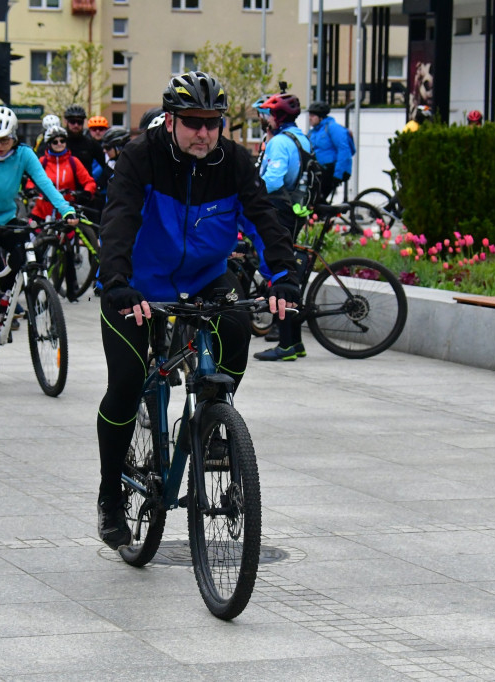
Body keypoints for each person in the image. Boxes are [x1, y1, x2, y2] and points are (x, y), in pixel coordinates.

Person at [94, 71, 300, 549]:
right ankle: (109, 496)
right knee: (126, 384)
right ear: (171, 120)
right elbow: (120, 218)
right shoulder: (141, 156)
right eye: (193, 122)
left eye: (213, 122)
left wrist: (283, 278)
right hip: (138, 285)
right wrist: (119, 283)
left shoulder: (234, 162)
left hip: (205, 276)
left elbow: (264, 219)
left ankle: (212, 417)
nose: (204, 132)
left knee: (236, 327)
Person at [0, 106, 78, 373]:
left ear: (14, 136)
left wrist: (66, 208)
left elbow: (45, 183)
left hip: (5, 217)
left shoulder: (24, 154)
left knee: (22, 255)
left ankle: (5, 304)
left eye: (5, 139)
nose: (0, 146)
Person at [252, 93, 311, 363]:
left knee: (280, 273)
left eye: (267, 115)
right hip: (296, 209)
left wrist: (249, 193)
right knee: (290, 271)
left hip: (279, 210)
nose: (264, 120)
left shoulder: (278, 143)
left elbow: (273, 180)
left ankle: (286, 343)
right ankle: (295, 342)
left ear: (276, 118)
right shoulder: (301, 137)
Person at [28, 125, 96, 222]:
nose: (59, 144)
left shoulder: (73, 161)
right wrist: (31, 190)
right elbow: (31, 180)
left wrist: (86, 193)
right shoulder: (42, 162)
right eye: (55, 142)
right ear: (49, 144)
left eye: (62, 141)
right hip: (42, 211)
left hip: (67, 212)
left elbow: (89, 182)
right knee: (33, 235)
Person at [307, 101, 355, 203]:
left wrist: (338, 174)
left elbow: (344, 151)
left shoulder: (333, 128)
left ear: (321, 117)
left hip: (332, 170)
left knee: (317, 198)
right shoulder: (313, 132)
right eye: (309, 115)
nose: (310, 118)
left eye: (313, 115)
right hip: (319, 170)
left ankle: (327, 215)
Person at [64, 104, 106, 185]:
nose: (76, 125)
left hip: (85, 191)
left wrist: (98, 185)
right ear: (66, 122)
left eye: (79, 122)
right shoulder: (59, 143)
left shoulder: (91, 143)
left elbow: (105, 166)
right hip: (63, 190)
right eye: (73, 122)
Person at [97, 126, 130, 204]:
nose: (104, 151)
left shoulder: (131, 166)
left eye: (107, 148)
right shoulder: (111, 163)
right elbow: (101, 184)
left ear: (119, 148)